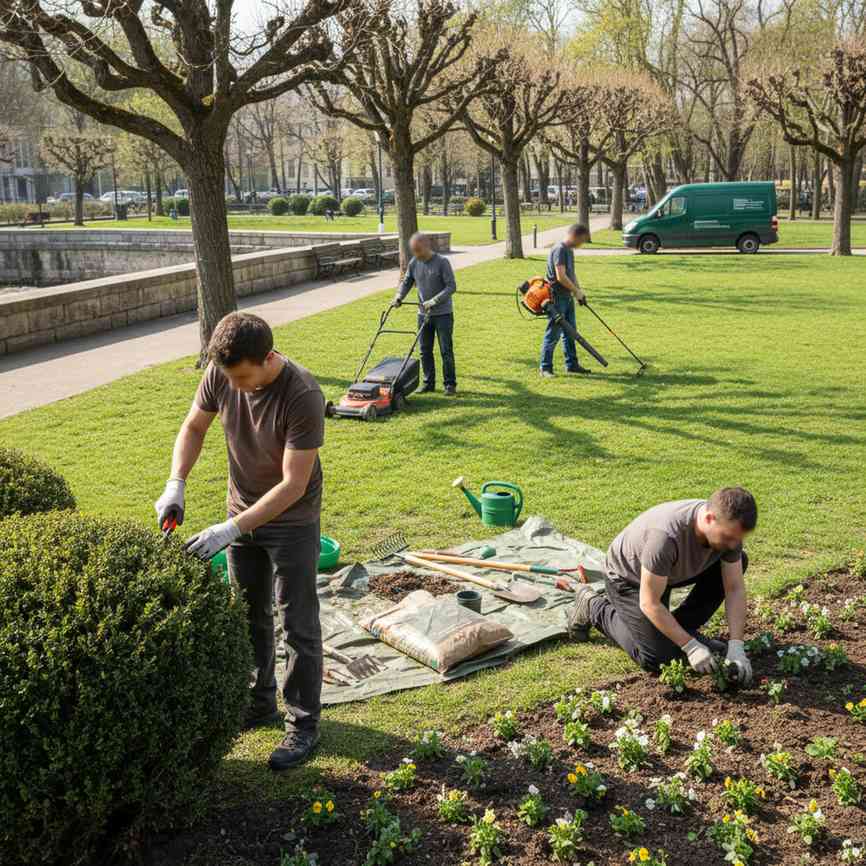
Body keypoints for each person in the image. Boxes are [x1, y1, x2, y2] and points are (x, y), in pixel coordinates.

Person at [154, 312, 326, 770]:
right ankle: (259, 702)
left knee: (298, 623)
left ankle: (303, 725)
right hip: (241, 509)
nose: (237, 386)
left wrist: (231, 530)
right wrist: (177, 483)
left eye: (244, 378)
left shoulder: (303, 394)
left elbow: (292, 485)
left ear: (268, 359)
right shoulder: (221, 371)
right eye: (229, 378)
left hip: (292, 520)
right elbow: (194, 427)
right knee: (248, 612)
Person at [567, 488, 757, 685]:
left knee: (738, 560)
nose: (734, 544)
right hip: (629, 579)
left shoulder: (727, 531)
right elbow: (649, 603)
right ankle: (593, 607)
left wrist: (736, 646)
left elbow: (734, 588)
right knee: (657, 658)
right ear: (709, 518)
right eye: (728, 537)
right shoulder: (665, 537)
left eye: (738, 538)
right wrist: (690, 646)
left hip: (668, 573)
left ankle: (682, 628)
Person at [393, 232, 457, 396]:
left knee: (445, 350)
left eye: (419, 250)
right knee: (424, 350)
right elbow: (407, 282)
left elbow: (451, 287)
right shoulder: (414, 262)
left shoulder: (442, 262)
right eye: (414, 251)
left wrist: (434, 301)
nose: (416, 254)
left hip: (443, 314)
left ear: (427, 246)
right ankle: (428, 383)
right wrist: (399, 297)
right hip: (423, 315)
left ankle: (450, 384)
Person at [540, 223, 591, 378]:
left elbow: (571, 274)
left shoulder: (569, 250)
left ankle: (572, 365)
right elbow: (560, 276)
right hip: (556, 298)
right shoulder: (560, 249)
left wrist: (579, 292)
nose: (581, 244)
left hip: (567, 297)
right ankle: (545, 368)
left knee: (571, 333)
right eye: (582, 240)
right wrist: (575, 290)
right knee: (553, 333)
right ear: (575, 236)